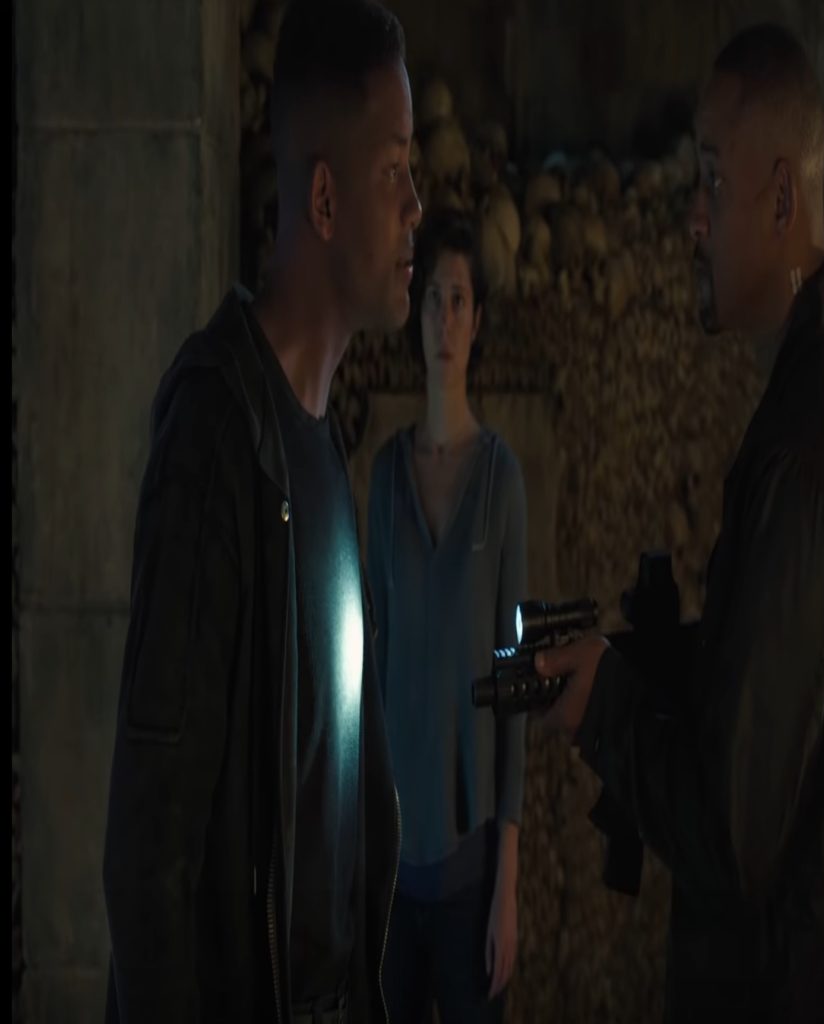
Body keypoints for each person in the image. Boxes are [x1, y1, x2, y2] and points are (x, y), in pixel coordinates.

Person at [537, 23, 824, 1023]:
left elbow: (732, 833)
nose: (694, 220)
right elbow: (795, 682)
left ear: (782, 199)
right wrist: (658, 661)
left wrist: (608, 708)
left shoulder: (808, 448)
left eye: (712, 180)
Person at [101, 2, 422, 1021]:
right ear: (324, 199)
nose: (418, 205)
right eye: (393, 171)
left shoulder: (320, 450)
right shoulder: (216, 437)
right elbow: (149, 858)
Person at [367, 207, 528, 1023]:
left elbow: (515, 683)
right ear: (416, 313)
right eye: (432, 297)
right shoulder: (386, 479)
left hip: (470, 876)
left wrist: (508, 884)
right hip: (393, 879)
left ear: (478, 319)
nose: (445, 318)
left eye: (459, 299)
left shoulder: (501, 482)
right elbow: (368, 669)